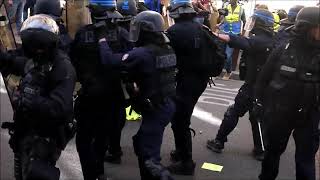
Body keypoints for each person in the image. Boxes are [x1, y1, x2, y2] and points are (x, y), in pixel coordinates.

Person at [98, 10, 177, 180]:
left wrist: (102, 41)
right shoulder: (166, 48)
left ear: (145, 31)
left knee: (149, 157)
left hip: (157, 108)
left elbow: (110, 61)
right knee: (141, 143)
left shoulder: (144, 53)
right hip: (165, 104)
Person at [0, 14, 76, 180]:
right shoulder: (35, 60)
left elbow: (61, 107)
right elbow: (13, 62)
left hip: (46, 134)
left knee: (37, 174)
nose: (30, 48)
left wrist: (34, 101)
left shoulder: (62, 66)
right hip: (26, 128)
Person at [254, 6, 320, 180]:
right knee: (272, 154)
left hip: (309, 117)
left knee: (305, 161)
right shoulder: (283, 50)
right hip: (280, 113)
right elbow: (263, 79)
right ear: (307, 27)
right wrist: (258, 102)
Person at [70, 0, 131, 178]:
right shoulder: (123, 34)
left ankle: (91, 174)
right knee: (103, 137)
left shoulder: (83, 34)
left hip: (89, 96)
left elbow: (72, 62)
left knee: (84, 141)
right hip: (114, 97)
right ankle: (99, 172)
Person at [166, 0, 226, 175]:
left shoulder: (174, 31)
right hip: (200, 80)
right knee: (182, 116)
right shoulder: (202, 28)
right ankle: (180, 152)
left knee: (179, 121)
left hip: (185, 80)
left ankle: (186, 162)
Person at [206, 9, 275, 161]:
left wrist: (215, 34)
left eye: (254, 20)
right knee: (257, 118)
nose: (252, 23)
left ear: (260, 23)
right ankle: (260, 149)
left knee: (234, 112)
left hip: (252, 86)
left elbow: (239, 41)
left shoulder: (259, 41)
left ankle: (218, 142)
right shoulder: (273, 40)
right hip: (265, 88)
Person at [219, 0, 246, 80]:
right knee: (220, 53)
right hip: (224, 32)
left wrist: (243, 33)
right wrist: (220, 20)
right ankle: (218, 70)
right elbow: (222, 19)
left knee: (228, 54)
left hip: (234, 33)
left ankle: (228, 71)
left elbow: (244, 21)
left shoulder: (241, 9)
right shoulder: (226, 7)